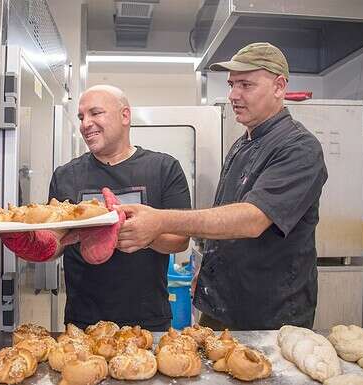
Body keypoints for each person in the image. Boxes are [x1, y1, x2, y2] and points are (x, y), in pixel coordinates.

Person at [116, 42, 328, 331]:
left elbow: (252, 219)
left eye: (245, 85)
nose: (233, 95)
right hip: (222, 303)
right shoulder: (243, 143)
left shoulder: (299, 148)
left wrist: (160, 219)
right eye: (231, 84)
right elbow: (225, 217)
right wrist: (207, 272)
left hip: (270, 315)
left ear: (279, 86)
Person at [1, 85, 192, 331]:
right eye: (81, 117)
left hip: (148, 320)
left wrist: (138, 234)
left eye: (95, 113)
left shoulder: (164, 168)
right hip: (83, 321)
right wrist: (35, 245)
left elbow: (180, 240)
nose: (85, 123)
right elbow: (58, 240)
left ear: (125, 115)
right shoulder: (66, 176)